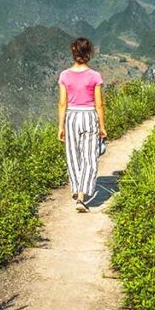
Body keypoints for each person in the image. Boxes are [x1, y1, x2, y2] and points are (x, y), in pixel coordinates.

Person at [57, 37, 106, 212]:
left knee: (73, 156)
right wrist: (102, 126)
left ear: (73, 53)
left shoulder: (64, 75)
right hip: (89, 117)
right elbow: (99, 104)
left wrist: (61, 126)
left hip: (71, 117)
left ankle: (77, 189)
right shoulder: (95, 76)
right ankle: (82, 197)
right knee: (89, 157)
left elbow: (62, 103)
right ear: (88, 54)